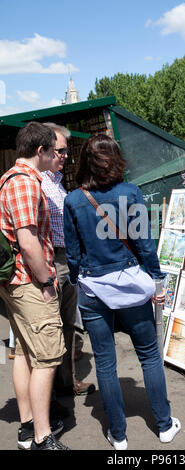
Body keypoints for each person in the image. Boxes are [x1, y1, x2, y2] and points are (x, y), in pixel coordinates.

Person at [63, 133, 181, 450]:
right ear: (116, 160)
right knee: (150, 358)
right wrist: (156, 281)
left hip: (92, 290)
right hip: (130, 286)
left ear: (84, 162)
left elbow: (72, 253)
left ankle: (118, 434)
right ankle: (165, 426)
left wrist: (78, 279)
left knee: (105, 363)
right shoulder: (131, 193)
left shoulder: (73, 200)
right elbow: (144, 245)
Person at [0, 122, 69, 450]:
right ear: (40, 151)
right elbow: (28, 242)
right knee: (46, 357)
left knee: (25, 354)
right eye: (53, 151)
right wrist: (45, 281)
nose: (57, 156)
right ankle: (43, 437)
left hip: (14, 282)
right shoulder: (26, 184)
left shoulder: (8, 178)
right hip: (29, 282)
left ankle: (29, 427)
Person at [41, 122, 95, 404]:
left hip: (65, 260)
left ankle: (65, 385)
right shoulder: (39, 182)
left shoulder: (55, 183)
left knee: (66, 325)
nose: (65, 156)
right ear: (46, 149)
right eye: (61, 150)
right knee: (53, 328)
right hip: (52, 261)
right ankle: (52, 396)